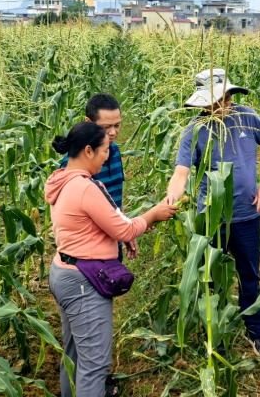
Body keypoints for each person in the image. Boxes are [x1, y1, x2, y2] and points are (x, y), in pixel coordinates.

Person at [46, 122, 178, 396]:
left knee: (74, 355)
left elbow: (100, 224)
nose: (108, 156)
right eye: (105, 150)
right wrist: (153, 213)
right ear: (88, 151)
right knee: (95, 365)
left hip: (65, 272)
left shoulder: (62, 179)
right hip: (83, 283)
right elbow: (124, 228)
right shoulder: (84, 187)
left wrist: (123, 231)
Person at [163, 68, 260, 357]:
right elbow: (181, 173)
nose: (226, 104)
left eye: (227, 97)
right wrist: (171, 197)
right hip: (212, 218)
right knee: (211, 278)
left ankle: (257, 332)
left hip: (247, 215)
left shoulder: (247, 116)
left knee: (250, 276)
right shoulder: (194, 129)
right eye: (219, 99)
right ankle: (214, 335)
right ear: (204, 102)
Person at [60, 93, 128, 262]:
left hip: (113, 246)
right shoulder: (73, 163)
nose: (113, 132)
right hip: (88, 255)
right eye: (106, 127)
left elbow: (115, 200)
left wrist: (125, 231)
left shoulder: (115, 151)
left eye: (117, 125)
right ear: (88, 123)